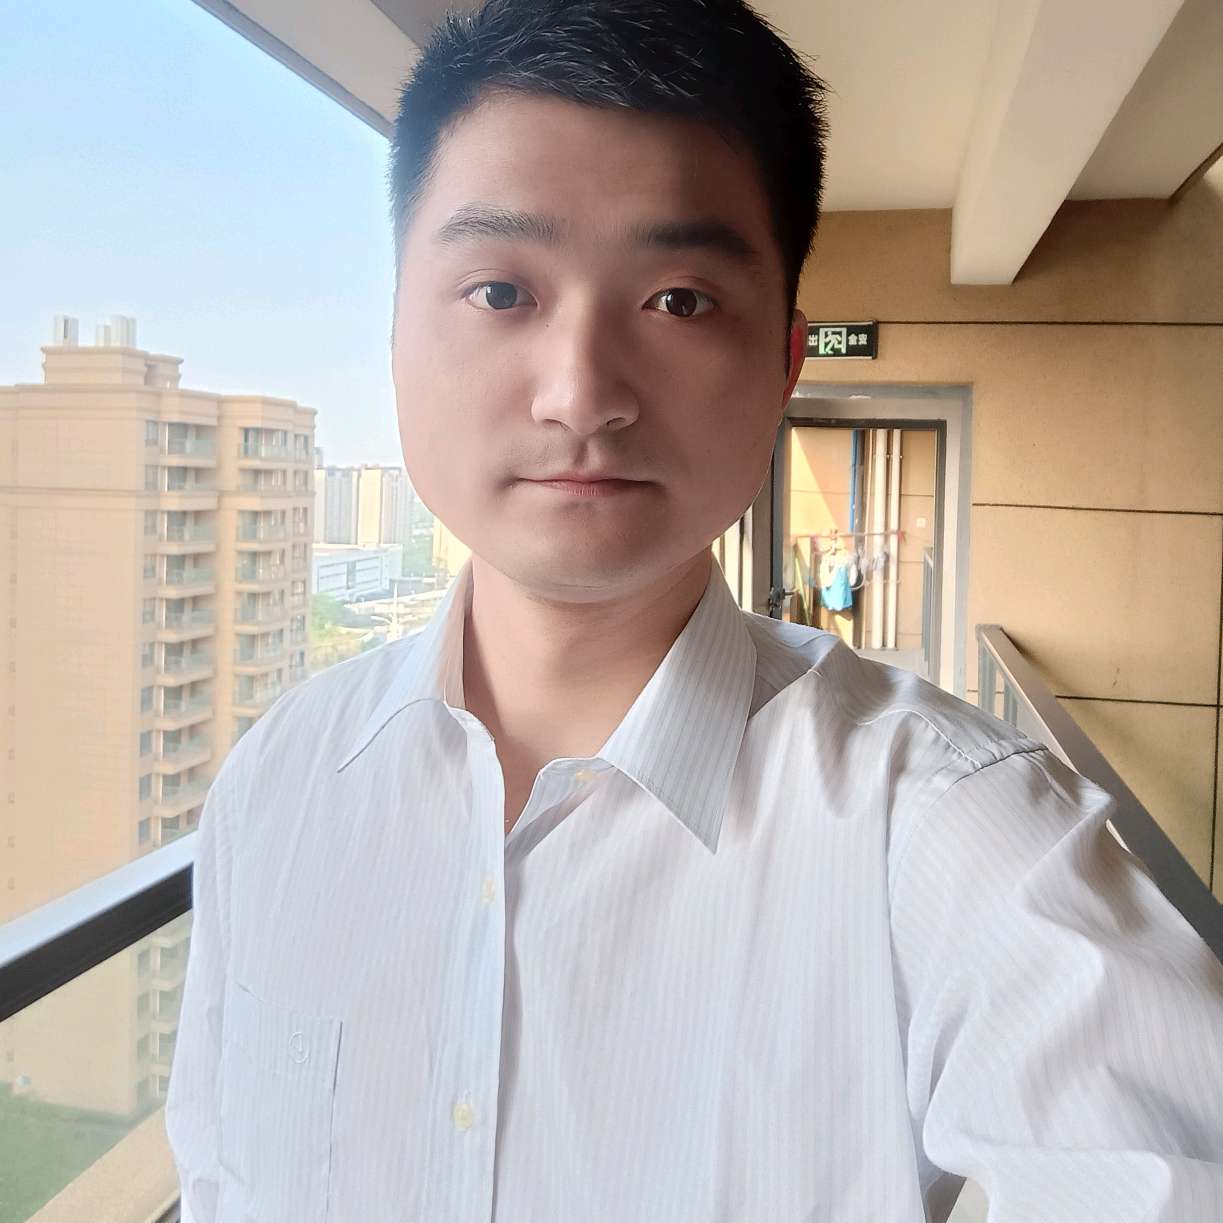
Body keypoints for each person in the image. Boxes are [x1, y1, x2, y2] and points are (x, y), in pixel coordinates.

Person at [164, 1, 1223, 1219]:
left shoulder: (944, 828)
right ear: (396, 332)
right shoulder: (281, 782)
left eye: (676, 299)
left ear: (783, 365)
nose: (580, 393)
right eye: (500, 289)